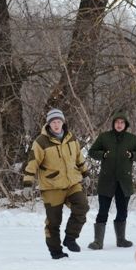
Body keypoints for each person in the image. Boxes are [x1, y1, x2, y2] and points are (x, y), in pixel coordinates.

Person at [23, 108, 90, 259]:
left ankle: (70, 238)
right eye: (53, 122)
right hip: (52, 187)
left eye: (59, 121)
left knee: (82, 207)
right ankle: (56, 251)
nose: (56, 125)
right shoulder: (41, 142)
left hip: (72, 183)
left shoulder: (71, 138)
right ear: (49, 124)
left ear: (63, 122)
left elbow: (79, 157)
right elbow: (32, 163)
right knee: (53, 222)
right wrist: (28, 183)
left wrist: (85, 173)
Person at [87, 110, 136, 249]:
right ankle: (98, 241)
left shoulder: (132, 138)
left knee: (122, 211)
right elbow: (92, 152)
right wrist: (103, 154)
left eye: (122, 122)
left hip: (124, 181)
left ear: (126, 124)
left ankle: (121, 239)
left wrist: (132, 155)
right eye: (117, 122)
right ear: (113, 124)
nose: (119, 125)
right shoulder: (104, 137)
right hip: (107, 180)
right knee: (103, 211)